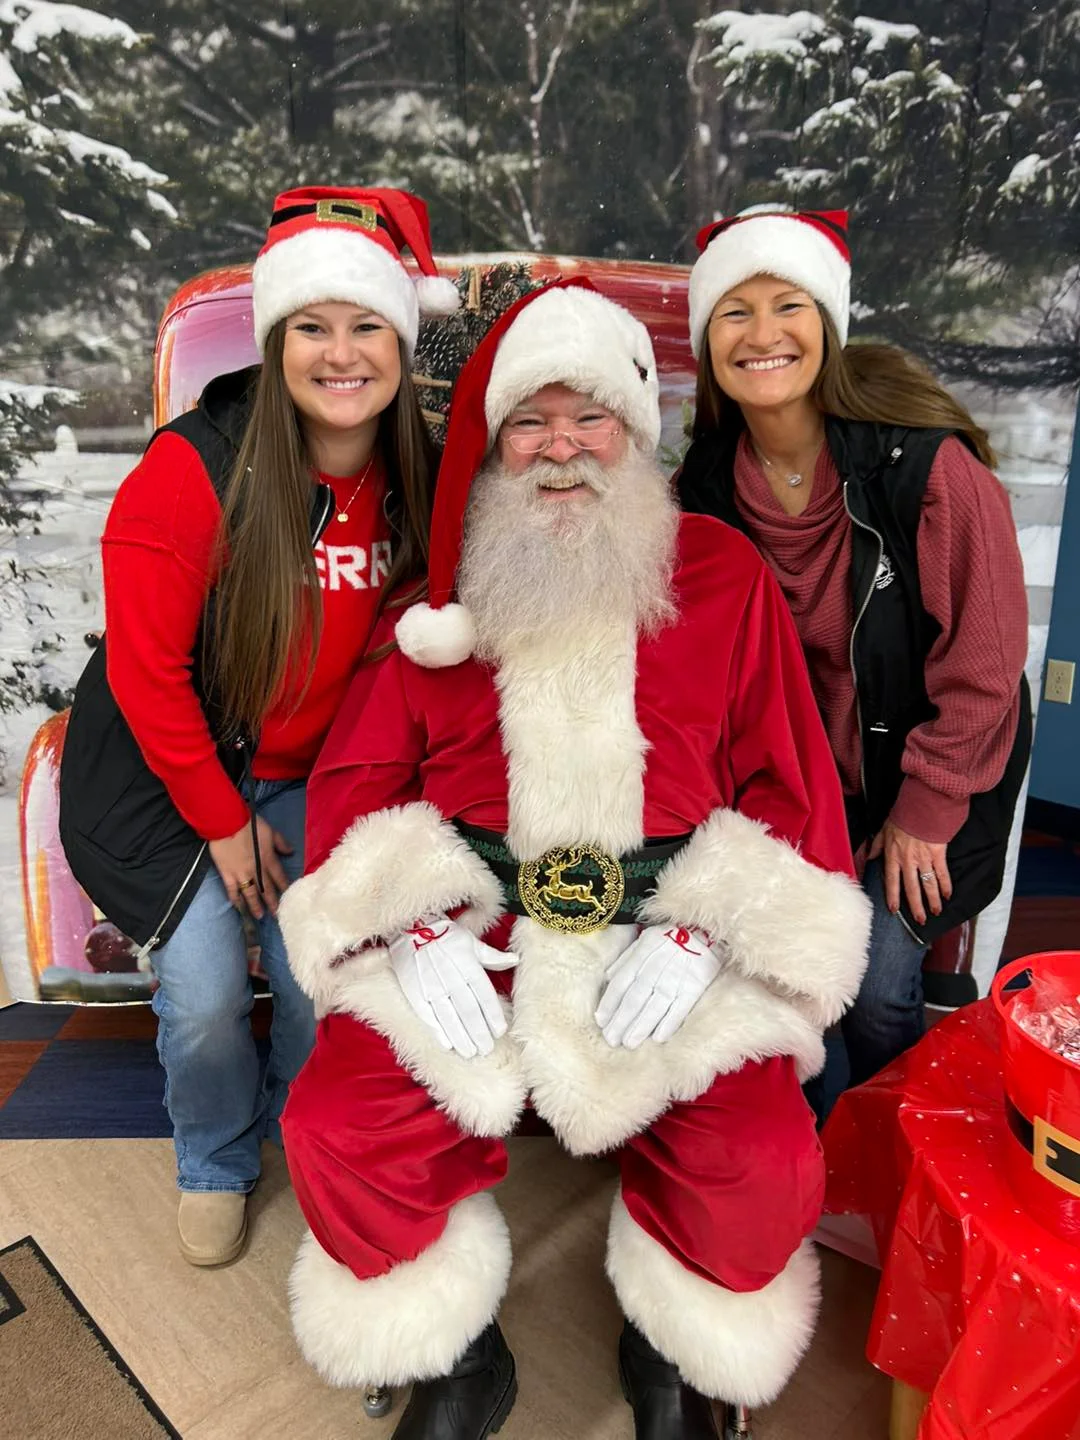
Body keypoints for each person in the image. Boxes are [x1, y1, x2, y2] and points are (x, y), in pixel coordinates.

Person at [275, 278, 871, 1439]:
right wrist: (408, 925)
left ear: (637, 430)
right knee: (335, 1123)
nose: (561, 448)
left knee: (755, 1151)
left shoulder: (722, 577)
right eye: (530, 423)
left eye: (588, 416)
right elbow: (356, 790)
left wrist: (707, 933)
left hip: (671, 926)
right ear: (495, 447)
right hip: (475, 932)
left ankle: (675, 1348)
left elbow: (790, 786)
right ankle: (448, 1353)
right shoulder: (442, 604)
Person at [58, 186, 457, 1267]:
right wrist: (225, 821)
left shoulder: (414, 468)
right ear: (277, 341)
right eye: (312, 328)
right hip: (169, 773)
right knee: (204, 998)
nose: (341, 354)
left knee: (326, 973)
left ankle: (301, 1128)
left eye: (367, 324)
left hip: (318, 772)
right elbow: (144, 674)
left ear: (400, 337)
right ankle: (217, 1155)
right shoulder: (192, 471)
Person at [677, 207, 1031, 1107]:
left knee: (876, 989)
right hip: (799, 783)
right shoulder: (708, 489)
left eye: (787, 305)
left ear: (826, 324)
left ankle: (887, 1144)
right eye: (734, 312)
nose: (762, 335)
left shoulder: (926, 467)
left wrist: (926, 808)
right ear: (707, 339)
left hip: (932, 773)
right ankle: (819, 1154)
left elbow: (986, 667)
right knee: (785, 981)